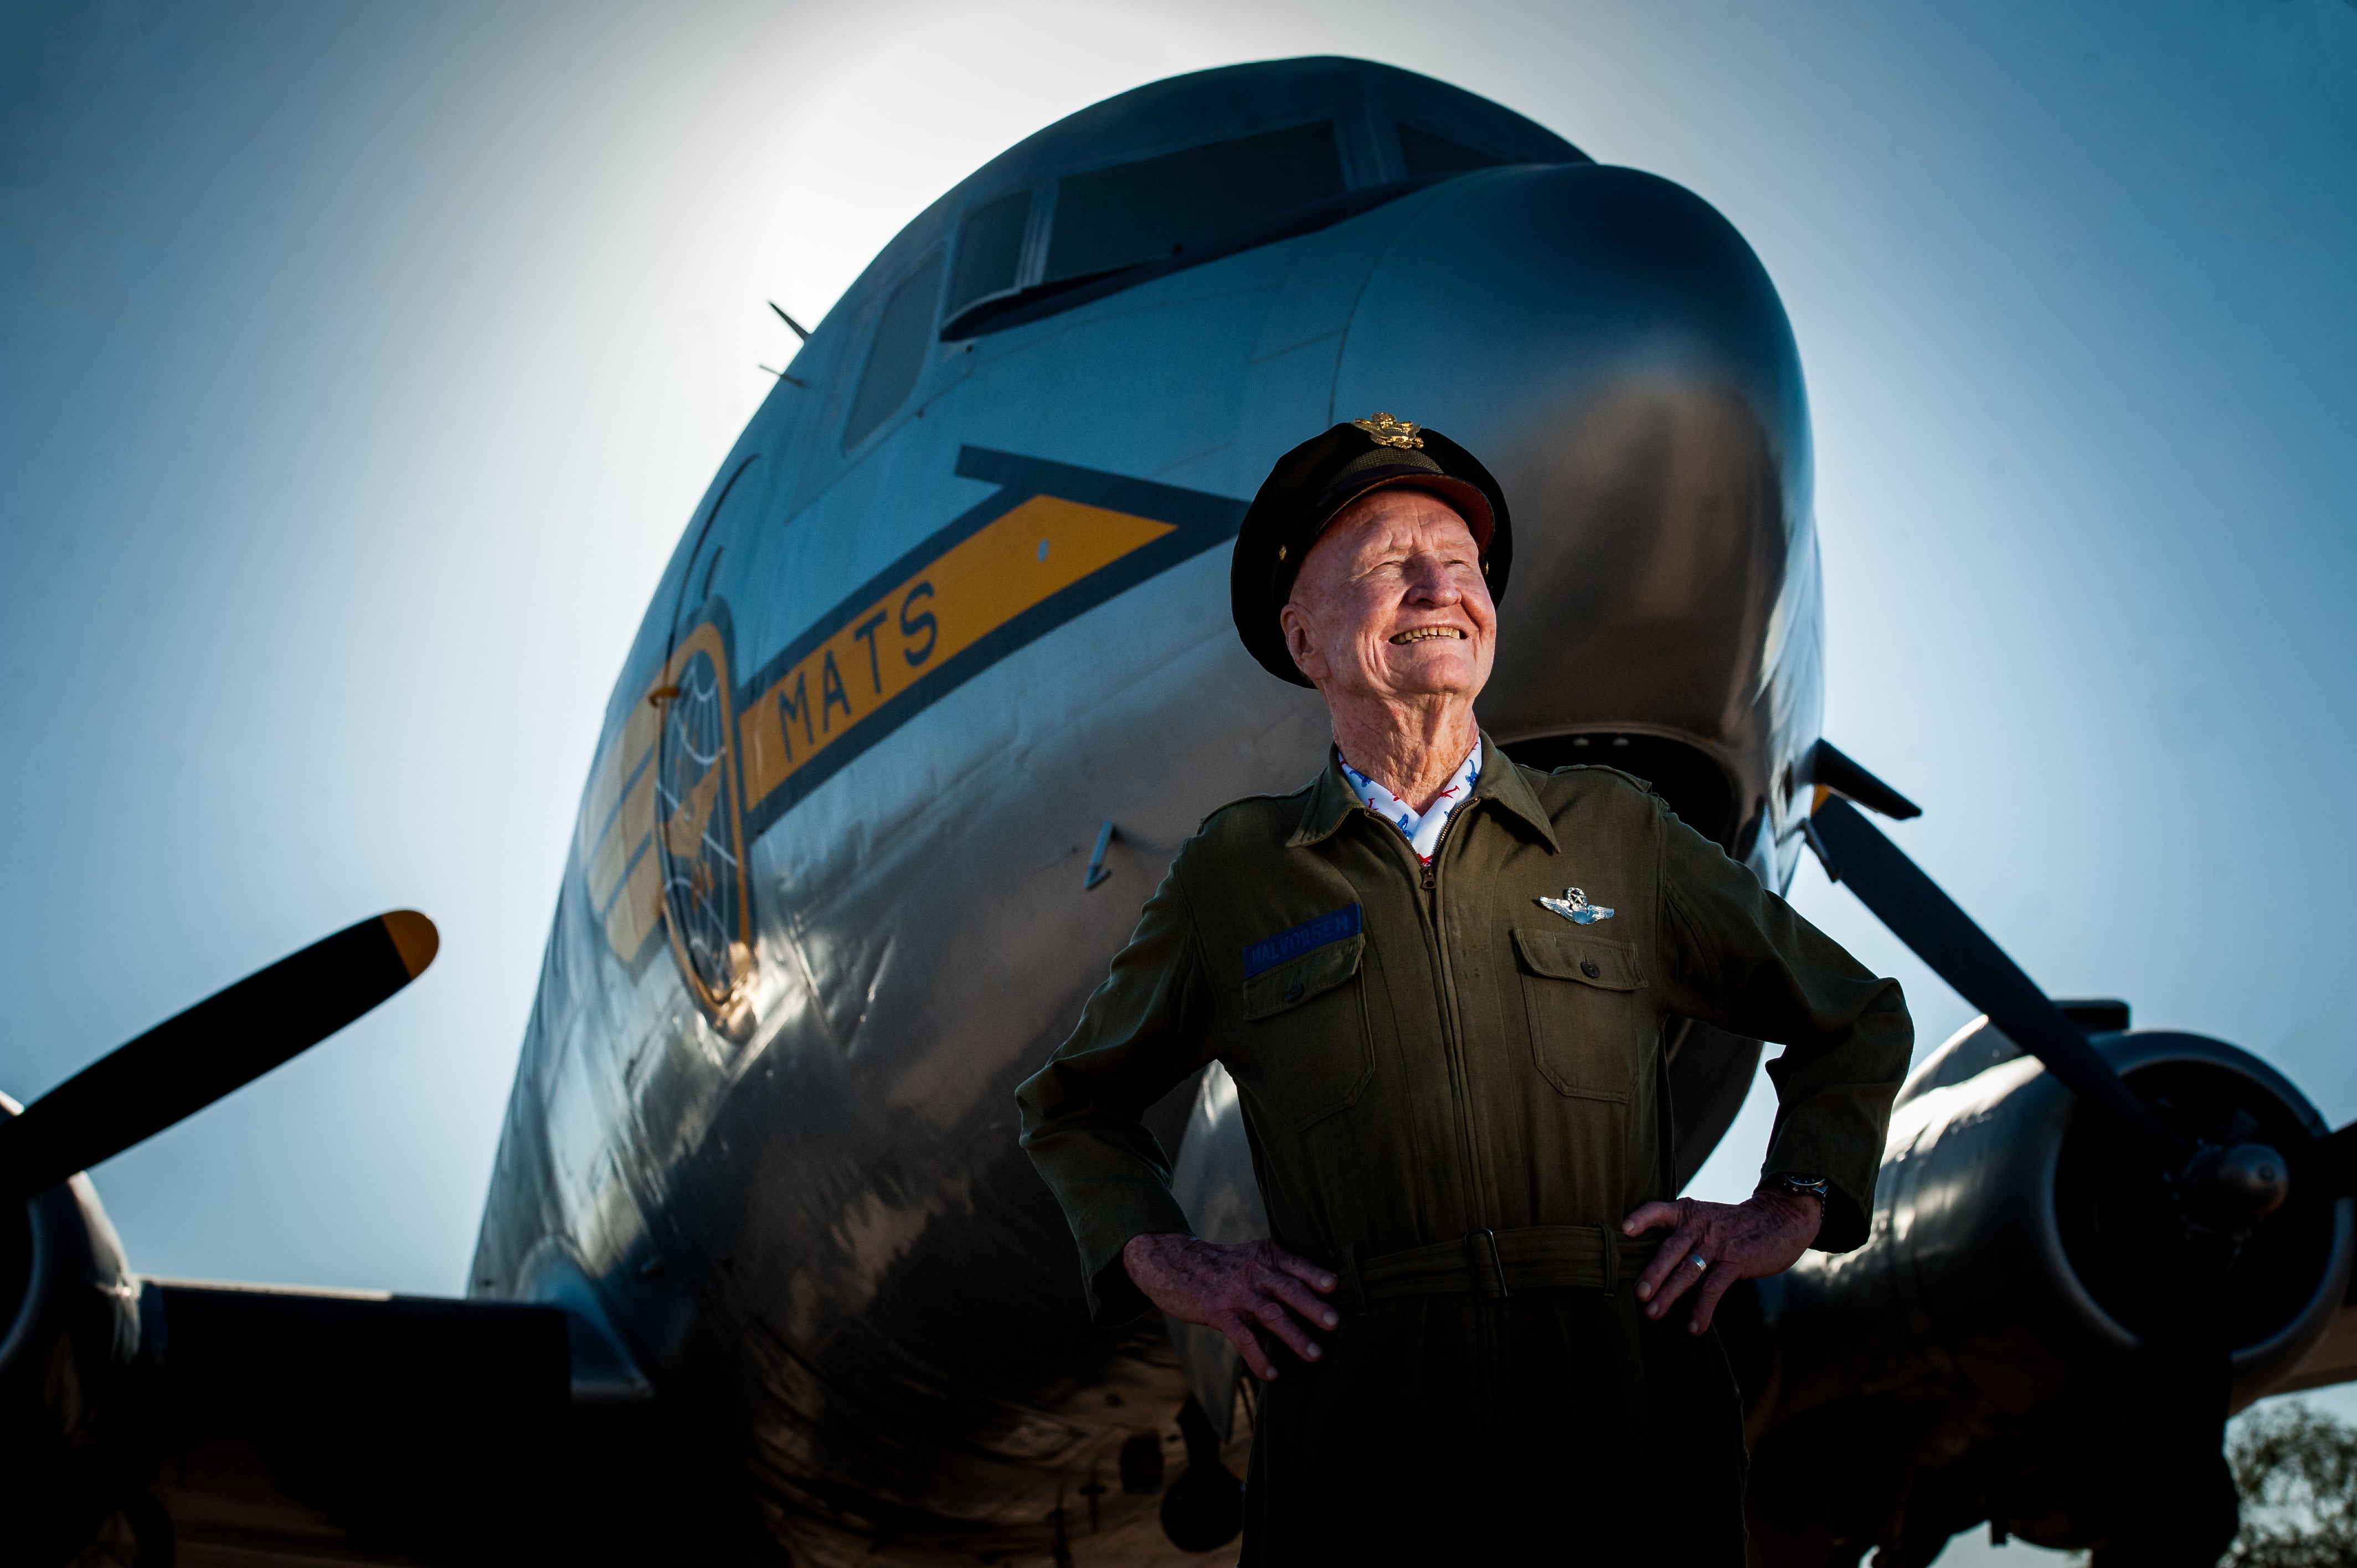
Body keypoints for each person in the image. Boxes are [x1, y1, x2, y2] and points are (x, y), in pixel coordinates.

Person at [1016, 414, 1912, 1564]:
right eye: (1390, 562)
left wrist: (1788, 1209)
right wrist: (1172, 1261)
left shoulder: (1619, 835)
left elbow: (1852, 1019)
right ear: (1304, 638)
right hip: (1357, 1460)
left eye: (1463, 563)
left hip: (1632, 1461)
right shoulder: (1238, 875)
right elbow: (1072, 1107)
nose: (1441, 585)